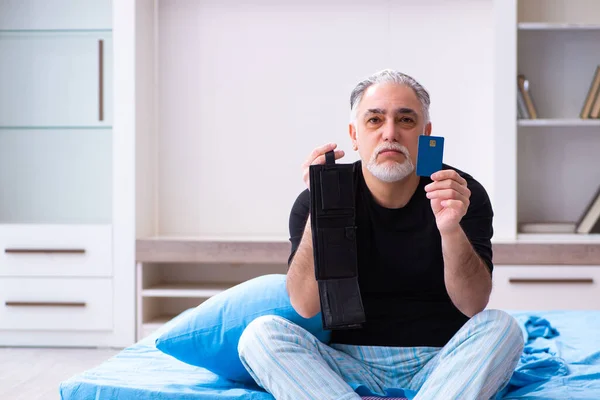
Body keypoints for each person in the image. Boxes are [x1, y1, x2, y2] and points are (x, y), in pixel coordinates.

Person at [238, 69, 524, 399]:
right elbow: (304, 305)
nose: (390, 134)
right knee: (259, 335)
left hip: (444, 360)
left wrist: (449, 228)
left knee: (503, 327)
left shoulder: (460, 192)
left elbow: (474, 304)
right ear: (354, 135)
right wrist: (322, 209)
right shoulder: (317, 199)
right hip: (345, 364)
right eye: (375, 120)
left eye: (405, 121)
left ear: (426, 133)